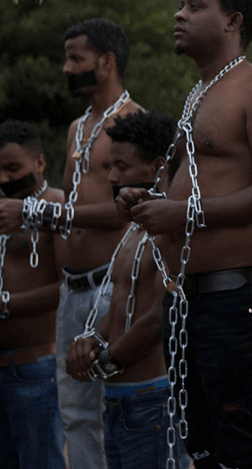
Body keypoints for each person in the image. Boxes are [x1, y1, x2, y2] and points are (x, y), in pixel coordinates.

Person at [116, 0, 252, 469]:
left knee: (241, 449)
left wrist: (183, 212)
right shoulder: (199, 94)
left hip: (238, 298)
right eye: (181, 5)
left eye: (195, 6)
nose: (179, 14)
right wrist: (148, 201)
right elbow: (203, 184)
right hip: (187, 301)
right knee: (204, 450)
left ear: (233, 21)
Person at [0, 18, 142, 468]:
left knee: (115, 411)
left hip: (110, 286)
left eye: (75, 58)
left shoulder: (133, 122)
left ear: (106, 62)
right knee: (75, 418)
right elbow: (74, 209)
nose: (66, 69)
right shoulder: (78, 127)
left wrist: (35, 212)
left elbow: (128, 210)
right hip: (73, 291)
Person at [66, 109, 190, 469]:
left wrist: (105, 361)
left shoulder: (169, 228)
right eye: (110, 166)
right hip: (119, 399)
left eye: (121, 166)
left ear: (157, 167)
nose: (112, 177)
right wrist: (91, 340)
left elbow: (160, 317)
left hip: (154, 398)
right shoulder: (133, 230)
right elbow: (122, 304)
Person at [0, 121, 67, 468]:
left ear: (40, 162)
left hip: (37, 367)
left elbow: (69, 287)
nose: (3, 179)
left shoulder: (57, 207)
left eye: (12, 168)